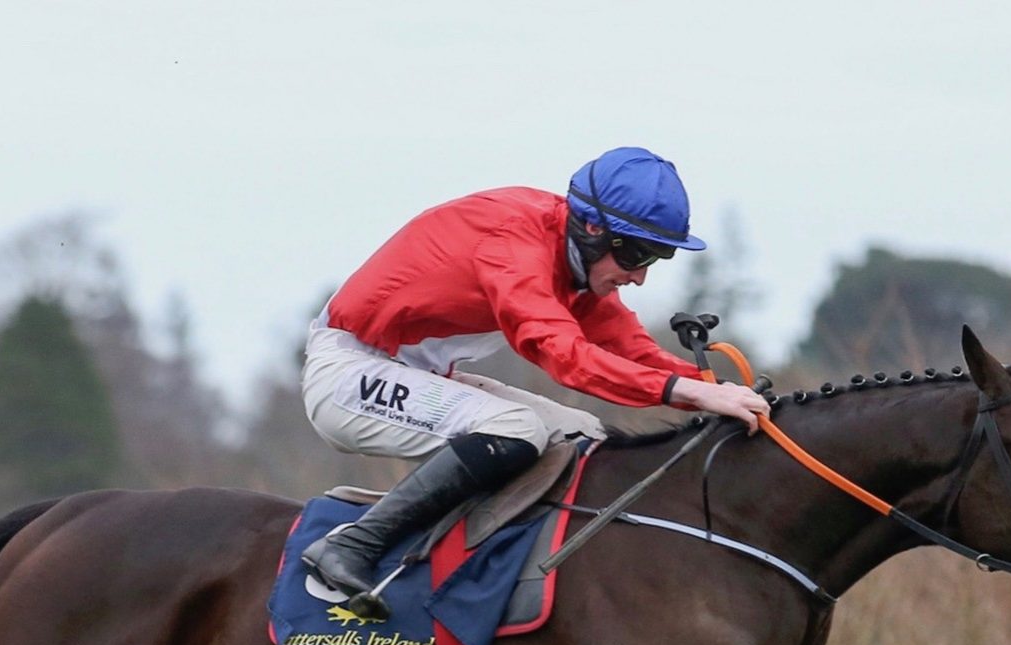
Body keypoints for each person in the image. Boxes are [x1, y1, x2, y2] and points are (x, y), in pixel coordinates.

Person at [299, 146, 768, 620]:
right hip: (347, 374)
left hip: (413, 374)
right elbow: (564, 354)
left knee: (586, 436)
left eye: (658, 257)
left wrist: (718, 389)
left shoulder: (571, 255)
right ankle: (353, 546)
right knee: (517, 429)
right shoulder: (514, 245)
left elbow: (629, 347)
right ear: (593, 228)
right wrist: (690, 393)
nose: (640, 277)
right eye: (636, 254)